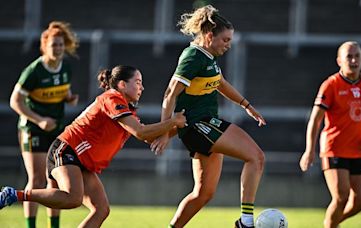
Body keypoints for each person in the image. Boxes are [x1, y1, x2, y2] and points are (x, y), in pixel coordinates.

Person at [1, 65, 187, 227]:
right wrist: (173, 122)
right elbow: (141, 132)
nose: (142, 87)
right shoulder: (112, 98)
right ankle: (14, 194)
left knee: (101, 210)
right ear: (122, 84)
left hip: (82, 161)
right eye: (137, 82)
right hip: (67, 150)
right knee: (73, 198)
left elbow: (148, 136)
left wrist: (184, 126)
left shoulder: (126, 110)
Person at [150, 5, 266, 228]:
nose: (228, 45)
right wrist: (165, 131)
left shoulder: (208, 57)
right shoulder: (193, 56)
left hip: (203, 126)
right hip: (199, 125)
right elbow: (169, 94)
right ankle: (246, 222)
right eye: (225, 40)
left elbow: (221, 83)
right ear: (210, 35)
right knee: (256, 157)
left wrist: (246, 106)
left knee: (203, 194)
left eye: (230, 40)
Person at [299, 41, 361, 228]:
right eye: (349, 56)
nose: (353, 60)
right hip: (334, 149)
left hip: (358, 150)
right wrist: (309, 150)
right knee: (341, 196)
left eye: (357, 56)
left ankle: (331, 224)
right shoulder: (331, 85)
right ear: (339, 61)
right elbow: (315, 120)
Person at [9, 21, 79, 228]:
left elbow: (61, 89)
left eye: (60, 44)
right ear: (44, 46)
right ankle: (31, 225)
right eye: (53, 45)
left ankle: (53, 226)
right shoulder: (35, 71)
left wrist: (68, 98)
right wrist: (38, 120)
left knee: (55, 182)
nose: (57, 48)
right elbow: (15, 101)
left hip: (56, 129)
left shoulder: (65, 67)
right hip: (33, 130)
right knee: (38, 180)